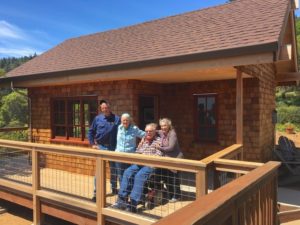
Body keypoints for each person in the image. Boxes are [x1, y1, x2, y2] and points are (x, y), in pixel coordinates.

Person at [113, 123, 163, 213]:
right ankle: (121, 200)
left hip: (150, 164)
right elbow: (137, 151)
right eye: (146, 131)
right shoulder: (143, 139)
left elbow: (158, 155)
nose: (148, 133)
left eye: (150, 131)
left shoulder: (158, 141)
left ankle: (133, 203)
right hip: (140, 163)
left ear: (155, 131)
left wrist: (145, 156)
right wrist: (138, 155)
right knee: (127, 172)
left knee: (139, 176)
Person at [88, 100, 120, 200]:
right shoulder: (97, 119)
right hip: (101, 147)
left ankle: (114, 188)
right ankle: (96, 193)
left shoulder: (117, 119)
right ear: (101, 109)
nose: (105, 109)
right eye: (103, 108)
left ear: (109, 108)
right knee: (99, 171)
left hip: (113, 148)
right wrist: (93, 144)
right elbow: (91, 132)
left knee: (114, 169)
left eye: (106, 108)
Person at [158, 118, 183, 203]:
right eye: (161, 126)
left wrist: (159, 148)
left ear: (169, 125)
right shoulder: (162, 132)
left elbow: (171, 147)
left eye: (165, 125)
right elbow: (152, 131)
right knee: (167, 178)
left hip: (175, 158)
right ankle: (171, 194)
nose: (163, 127)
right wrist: (143, 138)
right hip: (166, 159)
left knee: (174, 178)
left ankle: (177, 196)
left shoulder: (172, 134)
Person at [115, 113, 145, 183]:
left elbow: (145, 135)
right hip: (119, 155)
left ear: (130, 121)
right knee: (120, 174)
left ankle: (129, 191)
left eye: (127, 120)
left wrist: (141, 143)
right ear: (121, 121)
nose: (125, 122)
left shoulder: (134, 129)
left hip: (130, 156)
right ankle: (122, 192)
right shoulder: (119, 128)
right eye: (123, 120)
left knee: (130, 174)